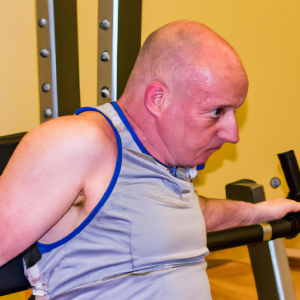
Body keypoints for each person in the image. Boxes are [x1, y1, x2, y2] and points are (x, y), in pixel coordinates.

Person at [1, 20, 300, 299]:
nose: (232, 134)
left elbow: (190, 213)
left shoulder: (168, 163)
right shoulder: (78, 143)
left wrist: (261, 212)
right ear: (158, 98)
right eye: (217, 112)